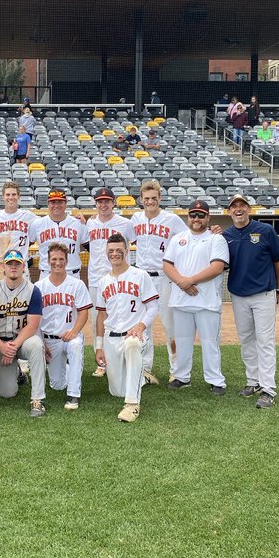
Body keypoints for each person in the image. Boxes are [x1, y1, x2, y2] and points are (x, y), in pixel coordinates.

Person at [217, 193, 279, 410]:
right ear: (229, 212)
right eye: (234, 207)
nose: (238, 209)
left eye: (242, 206)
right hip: (238, 295)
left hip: (263, 293)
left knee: (265, 341)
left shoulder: (265, 230)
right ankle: (253, 381)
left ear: (249, 209)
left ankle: (268, 389)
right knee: (247, 339)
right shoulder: (226, 235)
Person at [162, 199, 229, 396]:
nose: (196, 219)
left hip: (206, 300)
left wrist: (189, 280)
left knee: (210, 341)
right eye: (193, 215)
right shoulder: (178, 238)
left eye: (201, 215)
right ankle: (182, 377)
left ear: (208, 217)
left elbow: (217, 268)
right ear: (188, 217)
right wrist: (182, 283)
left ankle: (216, 380)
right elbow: (167, 265)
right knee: (182, 340)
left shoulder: (216, 239)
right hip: (182, 299)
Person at [126, 179, 187, 384]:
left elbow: (187, 242)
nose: (150, 202)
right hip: (143, 277)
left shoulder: (172, 220)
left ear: (160, 198)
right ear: (141, 200)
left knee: (170, 325)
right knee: (144, 326)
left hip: (165, 277)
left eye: (154, 198)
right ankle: (144, 369)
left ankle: (176, 370)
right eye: (146, 199)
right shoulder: (135, 218)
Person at [94, 232, 159, 423]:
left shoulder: (140, 275)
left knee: (132, 345)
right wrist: (99, 346)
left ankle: (132, 405)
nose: (114, 254)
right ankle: (143, 377)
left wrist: (141, 325)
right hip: (111, 338)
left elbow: (153, 307)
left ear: (127, 250)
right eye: (111, 251)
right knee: (116, 391)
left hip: (134, 335)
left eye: (118, 250)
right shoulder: (103, 281)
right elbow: (101, 315)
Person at [0, 248, 47, 417]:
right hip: (0, 342)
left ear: (23, 267)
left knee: (36, 344)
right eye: (10, 263)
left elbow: (33, 325)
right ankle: (17, 372)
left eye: (17, 264)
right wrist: (2, 347)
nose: (13, 267)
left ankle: (37, 399)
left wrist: (13, 347)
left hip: (23, 341)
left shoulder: (33, 290)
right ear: (3, 267)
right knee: (7, 393)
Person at [84, 187, 133, 378]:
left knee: (122, 317)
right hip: (97, 279)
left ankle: (125, 358)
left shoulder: (125, 223)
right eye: (99, 201)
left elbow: (136, 243)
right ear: (95, 203)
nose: (103, 204)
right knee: (99, 320)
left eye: (107, 201)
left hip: (120, 277)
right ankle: (102, 361)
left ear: (114, 203)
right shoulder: (90, 224)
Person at [38, 242, 92, 411]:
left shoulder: (77, 284)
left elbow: (83, 312)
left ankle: (74, 395)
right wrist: (42, 343)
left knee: (75, 346)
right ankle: (69, 370)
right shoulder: (39, 287)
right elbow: (35, 319)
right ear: (48, 261)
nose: (58, 262)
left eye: (61, 259)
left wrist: (74, 331)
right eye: (54, 259)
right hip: (49, 339)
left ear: (67, 261)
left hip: (70, 335)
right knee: (57, 384)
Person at [29, 189, 89, 279]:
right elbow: (24, 246)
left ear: (65, 203)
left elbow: (91, 248)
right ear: (48, 203)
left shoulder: (78, 223)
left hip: (72, 274)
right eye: (53, 202)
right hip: (46, 274)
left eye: (60, 202)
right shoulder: (37, 224)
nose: (56, 205)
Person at [0, 181, 36, 283]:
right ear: (3, 197)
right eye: (8, 194)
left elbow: (47, 222)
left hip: (21, 265)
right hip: (1, 266)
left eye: (14, 194)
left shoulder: (28, 216)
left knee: (24, 298)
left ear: (19, 196)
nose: (11, 197)